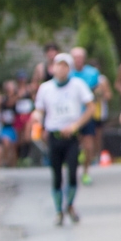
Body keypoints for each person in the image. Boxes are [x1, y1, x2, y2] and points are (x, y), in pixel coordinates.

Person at [33, 53, 96, 226]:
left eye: (65, 66)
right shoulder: (45, 88)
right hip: (54, 135)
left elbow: (91, 107)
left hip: (72, 135)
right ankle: (58, 210)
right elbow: (39, 109)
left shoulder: (77, 85)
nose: (61, 69)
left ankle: (70, 204)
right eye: (58, 65)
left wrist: (77, 125)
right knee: (56, 174)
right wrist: (37, 118)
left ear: (69, 69)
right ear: (53, 67)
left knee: (73, 172)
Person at [70, 47, 113, 185]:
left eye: (80, 57)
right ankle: (71, 171)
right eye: (75, 58)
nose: (78, 60)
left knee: (89, 145)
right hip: (71, 116)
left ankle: (86, 171)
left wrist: (98, 94)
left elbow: (101, 92)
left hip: (88, 114)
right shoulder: (68, 73)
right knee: (73, 147)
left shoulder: (92, 73)